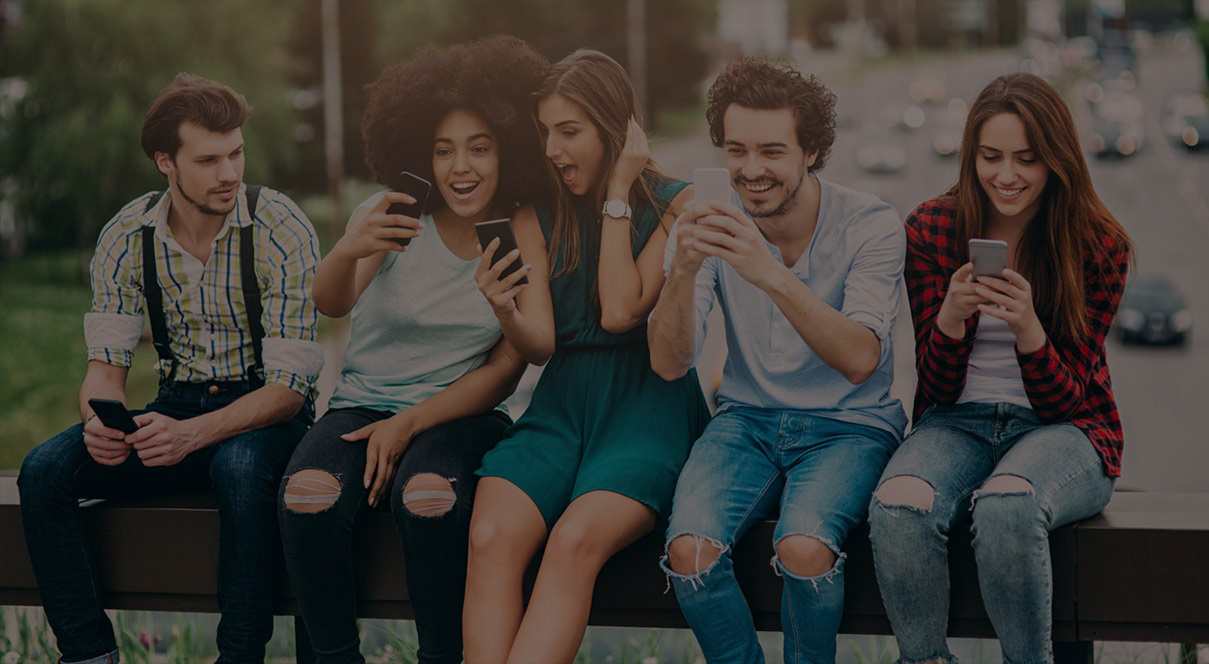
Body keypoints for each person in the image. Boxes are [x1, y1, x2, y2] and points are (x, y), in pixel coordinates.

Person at [17, 73, 322, 664]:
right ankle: (89, 654)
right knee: (44, 470)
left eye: (235, 153)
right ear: (166, 162)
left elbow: (289, 390)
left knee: (237, 468)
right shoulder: (127, 236)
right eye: (208, 160)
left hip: (265, 416)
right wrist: (97, 421)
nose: (229, 173)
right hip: (176, 404)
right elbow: (104, 372)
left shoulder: (280, 227)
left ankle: (238, 657)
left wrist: (192, 436)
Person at [276, 36, 549, 664]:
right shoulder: (393, 211)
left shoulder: (519, 227)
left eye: (480, 148)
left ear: (508, 150)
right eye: (444, 150)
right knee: (306, 496)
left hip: (460, 416)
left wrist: (409, 425)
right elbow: (331, 303)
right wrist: (347, 248)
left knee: (430, 499)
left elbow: (511, 367)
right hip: (361, 404)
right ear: (420, 154)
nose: (462, 167)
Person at [648, 57, 907, 663]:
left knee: (804, 550)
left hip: (851, 425)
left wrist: (766, 272)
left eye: (771, 151)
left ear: (810, 152)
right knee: (689, 553)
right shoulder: (707, 221)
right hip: (747, 420)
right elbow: (668, 363)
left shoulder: (870, 224)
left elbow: (861, 360)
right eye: (736, 151)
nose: (750, 170)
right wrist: (682, 271)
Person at [867, 72, 1132, 664]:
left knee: (1008, 506)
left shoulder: (1099, 245)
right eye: (991, 157)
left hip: (1066, 432)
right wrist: (951, 320)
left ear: (1056, 161)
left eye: (1026, 160)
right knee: (898, 506)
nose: (1006, 176)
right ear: (971, 156)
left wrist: (1029, 331)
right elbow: (934, 389)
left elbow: (1064, 402)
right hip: (954, 422)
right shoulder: (932, 227)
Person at [462, 49, 710, 663]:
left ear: (616, 129)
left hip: (646, 407)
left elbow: (620, 311)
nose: (551, 149)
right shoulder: (535, 215)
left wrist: (621, 189)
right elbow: (541, 345)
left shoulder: (678, 207)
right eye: (545, 131)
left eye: (568, 131)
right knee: (491, 535)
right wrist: (503, 308)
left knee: (572, 542)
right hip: (562, 407)